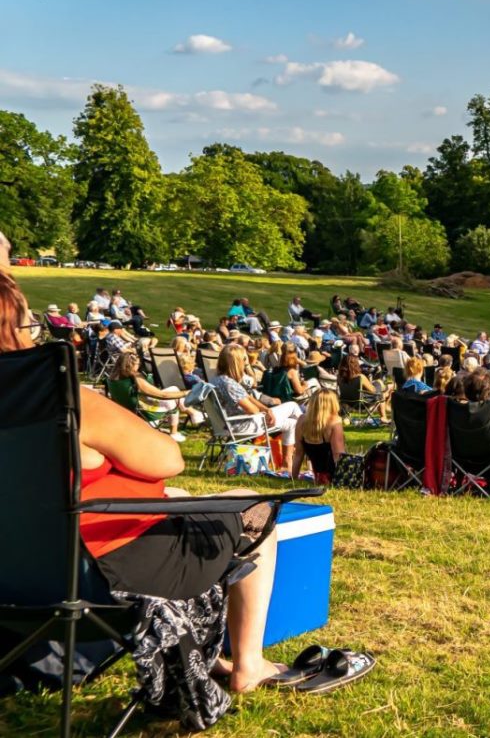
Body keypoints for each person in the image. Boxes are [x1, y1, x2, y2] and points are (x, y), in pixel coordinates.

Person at [0, 257, 286, 693]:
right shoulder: (58, 398)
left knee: (178, 495)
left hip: (17, 582)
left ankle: (203, 651)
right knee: (252, 503)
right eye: (30, 326)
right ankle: (250, 664)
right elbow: (166, 457)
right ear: (14, 333)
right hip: (103, 577)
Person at [212, 343, 305, 463]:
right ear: (236, 362)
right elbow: (252, 410)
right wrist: (265, 413)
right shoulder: (229, 384)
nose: (246, 363)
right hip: (242, 425)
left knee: (292, 420)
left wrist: (267, 409)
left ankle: (290, 460)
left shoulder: (218, 379)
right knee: (292, 408)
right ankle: (309, 441)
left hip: (232, 423)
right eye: (244, 360)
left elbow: (249, 398)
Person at [111, 351, 193, 441]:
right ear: (130, 365)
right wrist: (186, 393)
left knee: (173, 390)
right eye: (138, 364)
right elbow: (163, 395)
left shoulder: (111, 379)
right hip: (146, 414)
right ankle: (174, 432)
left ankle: (192, 413)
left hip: (128, 413)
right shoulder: (136, 378)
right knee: (174, 396)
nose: (138, 367)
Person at [290, 389, 348, 485]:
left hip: (318, 475)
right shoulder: (335, 421)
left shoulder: (301, 420)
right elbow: (338, 455)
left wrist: (293, 478)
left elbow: (298, 454)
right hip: (333, 477)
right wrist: (343, 481)